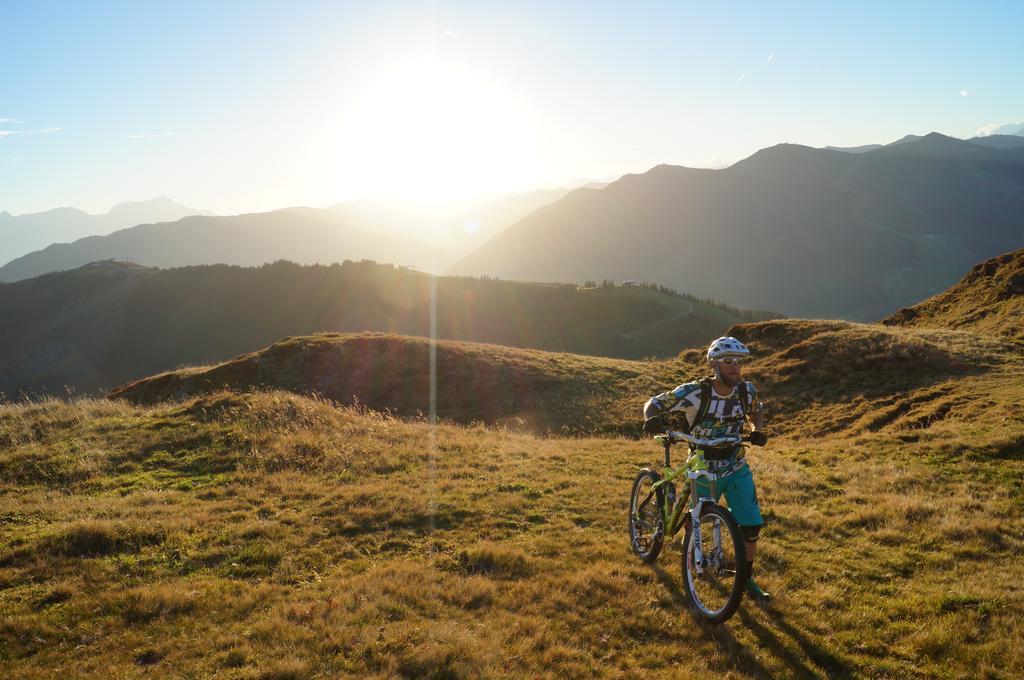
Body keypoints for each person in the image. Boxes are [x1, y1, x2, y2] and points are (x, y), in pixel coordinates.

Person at [642, 336, 772, 602]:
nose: (735, 367)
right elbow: (655, 403)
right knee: (698, 519)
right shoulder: (695, 392)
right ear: (714, 364)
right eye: (728, 362)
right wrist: (652, 419)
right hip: (702, 464)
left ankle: (746, 579)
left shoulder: (746, 391)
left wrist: (756, 430)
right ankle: (692, 565)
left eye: (739, 362)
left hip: (735, 463)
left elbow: (756, 411)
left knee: (752, 527)